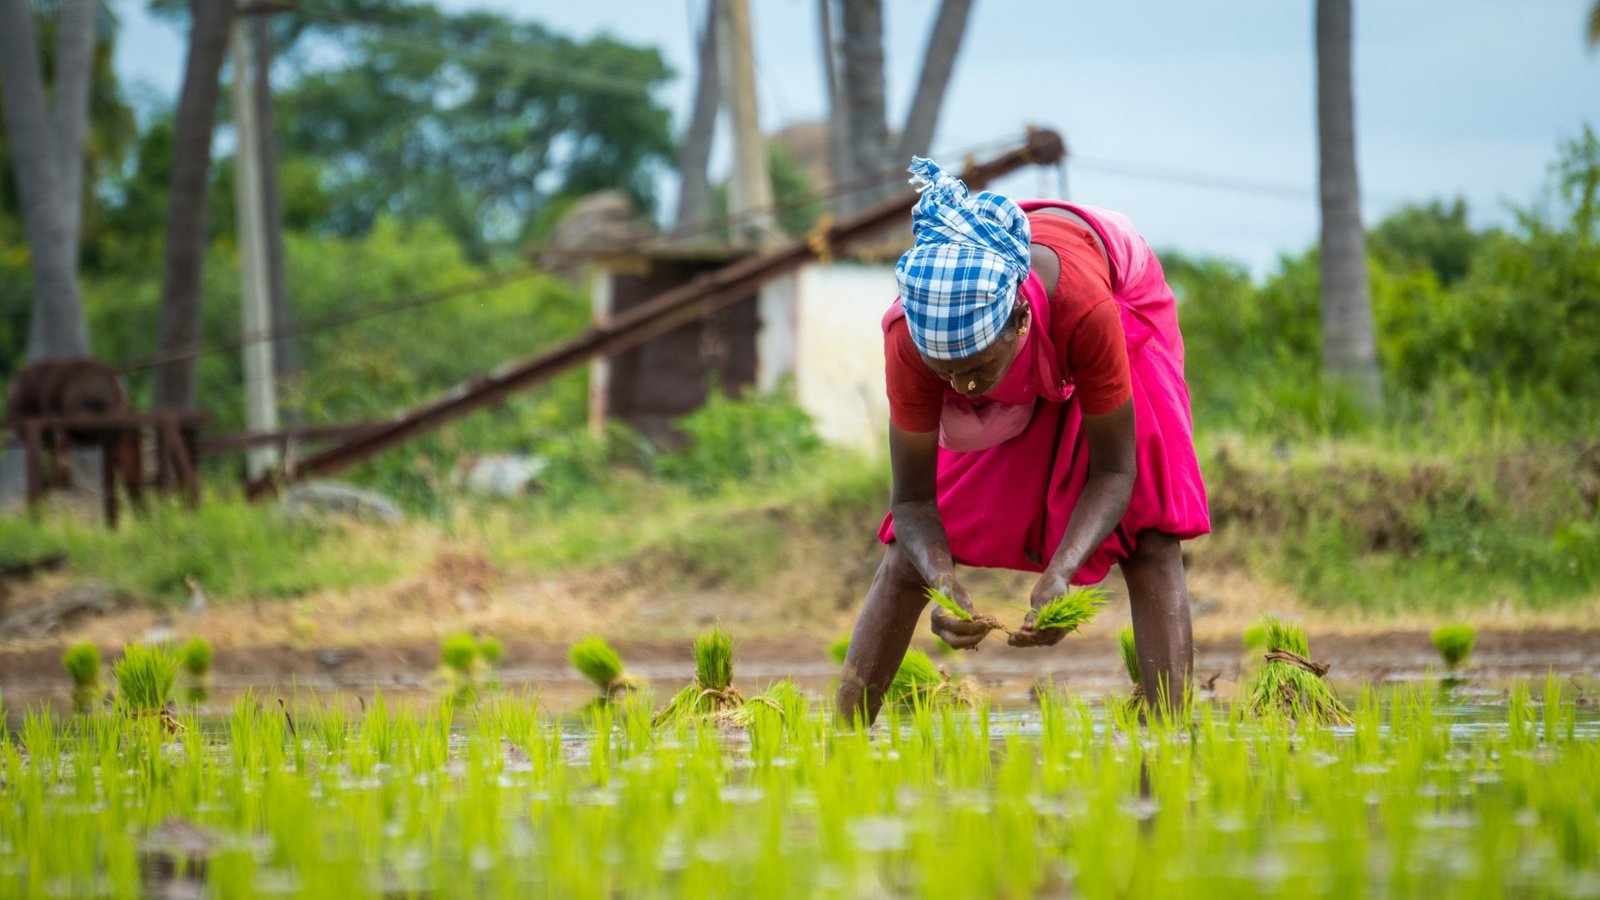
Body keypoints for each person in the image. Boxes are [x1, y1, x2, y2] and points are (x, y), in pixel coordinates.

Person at [835, 157, 1211, 725]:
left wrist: (1062, 571)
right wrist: (941, 581)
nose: (961, 386)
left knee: (1151, 531)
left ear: (1018, 323)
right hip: (1037, 340)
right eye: (945, 372)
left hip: (1119, 299)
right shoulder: (910, 338)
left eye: (976, 369)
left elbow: (1115, 470)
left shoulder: (1086, 309)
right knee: (907, 558)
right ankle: (841, 736)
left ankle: (1171, 734)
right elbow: (912, 504)